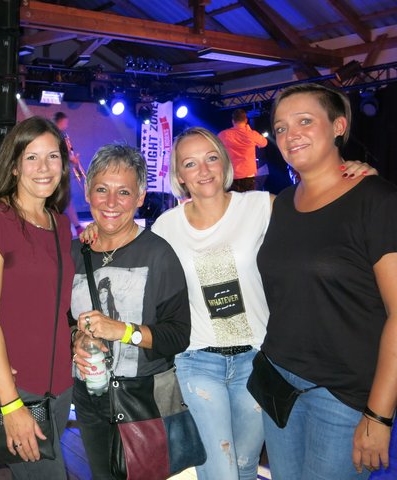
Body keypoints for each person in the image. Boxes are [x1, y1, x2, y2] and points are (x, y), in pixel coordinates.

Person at [80, 129, 375, 480]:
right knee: (220, 470)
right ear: (179, 175)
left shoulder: (261, 206)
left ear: (225, 162)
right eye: (190, 163)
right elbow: (128, 242)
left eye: (211, 158)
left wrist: (347, 176)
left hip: (258, 360)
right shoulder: (166, 227)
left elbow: (316, 206)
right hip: (197, 361)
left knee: (246, 466)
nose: (203, 170)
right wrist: (96, 230)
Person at [257, 83, 397, 479]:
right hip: (278, 380)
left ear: (339, 126)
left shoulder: (378, 199)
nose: (290, 135)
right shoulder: (283, 203)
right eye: (281, 127)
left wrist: (379, 415)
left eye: (304, 121)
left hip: (343, 397)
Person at [0, 116, 75, 478]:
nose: (44, 167)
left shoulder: (59, 223)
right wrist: (10, 404)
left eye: (53, 156)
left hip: (60, 386)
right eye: (32, 157)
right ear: (13, 166)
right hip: (14, 387)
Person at [70, 143, 191, 480]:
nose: (111, 202)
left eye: (123, 192)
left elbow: (178, 335)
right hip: (89, 396)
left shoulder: (158, 254)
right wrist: (75, 339)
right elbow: (65, 320)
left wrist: (123, 331)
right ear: (88, 193)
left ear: (139, 197)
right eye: (102, 190)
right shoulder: (76, 252)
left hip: (143, 399)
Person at [218, 108, 267, 192]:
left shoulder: (223, 135)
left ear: (233, 121)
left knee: (234, 199)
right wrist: (249, 130)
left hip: (231, 175)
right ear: (246, 120)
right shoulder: (251, 134)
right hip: (248, 174)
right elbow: (264, 143)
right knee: (248, 198)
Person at [53, 111, 85, 235]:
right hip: (57, 172)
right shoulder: (57, 136)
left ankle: (75, 227)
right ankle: (76, 227)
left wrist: (72, 159)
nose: (66, 124)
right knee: (64, 200)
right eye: (65, 122)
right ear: (60, 121)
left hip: (59, 172)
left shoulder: (58, 135)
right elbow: (58, 154)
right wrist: (72, 159)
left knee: (65, 200)